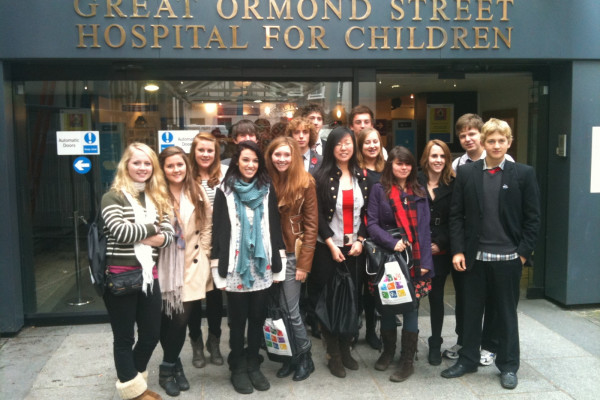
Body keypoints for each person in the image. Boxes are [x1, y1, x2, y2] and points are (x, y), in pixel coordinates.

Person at [441, 118, 540, 390]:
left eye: (501, 141)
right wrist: (458, 250)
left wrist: (522, 253)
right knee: (471, 313)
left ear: (509, 143)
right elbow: (456, 216)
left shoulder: (523, 174)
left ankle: (508, 366)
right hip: (475, 258)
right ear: (484, 144)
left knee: (506, 314)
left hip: (509, 259)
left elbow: (533, 219)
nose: (496, 145)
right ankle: (468, 360)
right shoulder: (468, 173)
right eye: (491, 141)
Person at [210, 140, 286, 394]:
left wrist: (278, 264)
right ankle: (238, 367)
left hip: (261, 264)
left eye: (255, 160)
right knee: (237, 319)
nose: (250, 165)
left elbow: (274, 226)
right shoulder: (225, 190)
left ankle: (254, 363)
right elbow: (219, 229)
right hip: (235, 265)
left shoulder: (267, 188)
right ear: (236, 162)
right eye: (245, 160)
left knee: (257, 317)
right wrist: (217, 268)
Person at [101, 142, 174, 400]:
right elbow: (119, 232)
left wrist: (144, 231)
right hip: (120, 275)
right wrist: (154, 227)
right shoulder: (113, 196)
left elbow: (169, 238)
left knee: (151, 334)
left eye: (147, 163)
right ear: (126, 165)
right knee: (123, 338)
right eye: (136, 162)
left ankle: (131, 380)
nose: (142, 167)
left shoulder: (157, 198)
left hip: (148, 277)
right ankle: (135, 393)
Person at [446, 113, 512, 366]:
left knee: (495, 303)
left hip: (500, 247)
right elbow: (458, 209)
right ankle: (466, 342)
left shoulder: (507, 164)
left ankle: (490, 345)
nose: (467, 139)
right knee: (467, 300)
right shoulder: (459, 166)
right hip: (471, 247)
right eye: (462, 135)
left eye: (472, 134)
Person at [366, 146, 434, 383]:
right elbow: (372, 224)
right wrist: (391, 242)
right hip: (390, 257)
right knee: (387, 303)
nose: (403, 167)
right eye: (398, 163)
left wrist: (425, 261)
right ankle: (387, 351)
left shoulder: (419, 190)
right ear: (390, 165)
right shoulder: (379, 190)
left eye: (407, 164)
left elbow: (425, 229)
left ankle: (407, 360)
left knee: (411, 308)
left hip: (414, 258)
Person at [307, 126, 369, 378]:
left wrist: (361, 239)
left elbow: (368, 214)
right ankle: (332, 353)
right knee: (329, 301)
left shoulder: (362, 175)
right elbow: (317, 215)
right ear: (331, 147)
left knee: (351, 301)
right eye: (339, 143)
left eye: (349, 143)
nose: (344, 148)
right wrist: (331, 244)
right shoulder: (320, 176)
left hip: (354, 249)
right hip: (327, 249)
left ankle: (346, 349)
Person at [157, 146, 212, 397]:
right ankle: (175, 364)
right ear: (163, 169)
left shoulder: (196, 190)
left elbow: (208, 224)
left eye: (180, 164)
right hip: (163, 264)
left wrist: (207, 253)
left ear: (187, 166)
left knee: (181, 319)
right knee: (166, 319)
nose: (176, 169)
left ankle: (166, 369)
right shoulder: (154, 193)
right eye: (170, 166)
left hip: (193, 261)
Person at [264, 136, 318, 381]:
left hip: (292, 256)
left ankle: (306, 357)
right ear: (270, 156)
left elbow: (311, 226)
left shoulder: (306, 182)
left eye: (287, 155)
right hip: (267, 256)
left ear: (294, 156)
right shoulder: (264, 181)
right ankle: (290, 357)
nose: (282, 159)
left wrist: (304, 265)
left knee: (291, 310)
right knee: (276, 310)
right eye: (278, 155)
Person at [186, 132, 226, 369]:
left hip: (217, 245)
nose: (205, 154)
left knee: (214, 299)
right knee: (192, 299)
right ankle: (196, 345)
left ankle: (215, 342)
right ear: (194, 151)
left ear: (216, 153)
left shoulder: (223, 176)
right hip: (191, 247)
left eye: (210, 150)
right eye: (201, 150)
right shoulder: (185, 176)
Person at [417, 140, 455, 366]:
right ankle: (410, 342)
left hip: (440, 250)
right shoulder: (415, 181)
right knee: (412, 299)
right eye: (434, 156)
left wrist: (440, 243)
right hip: (417, 249)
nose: (438, 160)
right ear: (426, 159)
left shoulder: (453, 184)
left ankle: (435, 344)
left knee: (437, 299)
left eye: (442, 156)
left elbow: (457, 218)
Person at [355, 127, 386, 350]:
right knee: (358, 287)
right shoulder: (356, 170)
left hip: (380, 235)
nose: (372, 146)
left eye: (375, 142)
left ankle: (372, 331)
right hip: (359, 234)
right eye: (367, 142)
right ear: (361, 145)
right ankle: (353, 329)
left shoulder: (387, 171)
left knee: (375, 288)